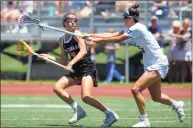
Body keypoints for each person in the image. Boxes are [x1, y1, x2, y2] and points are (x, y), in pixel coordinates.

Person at [83, 4, 185, 127]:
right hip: (151, 63)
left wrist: (94, 41)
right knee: (156, 97)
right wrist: (91, 36)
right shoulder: (130, 28)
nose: (123, 19)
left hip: (157, 63)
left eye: (124, 17)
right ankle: (176, 104)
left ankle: (144, 121)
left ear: (130, 18)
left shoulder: (137, 28)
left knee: (135, 89)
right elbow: (112, 35)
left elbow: (117, 40)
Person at [39, 12, 118, 127]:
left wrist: (70, 63)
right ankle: (78, 110)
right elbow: (63, 60)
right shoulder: (61, 40)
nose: (73, 22)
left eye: (75, 20)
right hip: (76, 70)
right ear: (64, 23)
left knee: (86, 96)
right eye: (70, 20)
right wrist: (48, 56)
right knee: (57, 88)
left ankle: (110, 114)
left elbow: (83, 51)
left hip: (87, 68)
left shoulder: (77, 34)